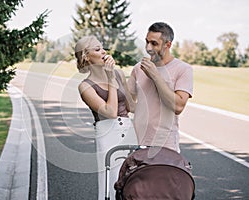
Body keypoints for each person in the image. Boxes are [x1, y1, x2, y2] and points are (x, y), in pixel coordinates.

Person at [75, 35, 137, 200]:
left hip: (129, 131)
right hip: (108, 134)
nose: (103, 52)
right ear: (86, 56)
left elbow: (132, 107)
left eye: (102, 48)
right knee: (111, 183)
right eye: (97, 49)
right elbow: (110, 112)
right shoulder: (85, 86)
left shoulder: (119, 74)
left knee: (134, 180)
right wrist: (110, 79)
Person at [127, 22, 193, 153]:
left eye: (154, 43)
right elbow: (129, 105)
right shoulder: (138, 68)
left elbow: (178, 107)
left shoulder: (183, 69)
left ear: (168, 45)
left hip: (164, 146)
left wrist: (155, 75)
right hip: (136, 143)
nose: (148, 48)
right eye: (147, 42)